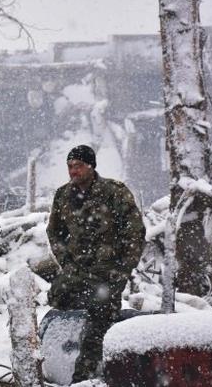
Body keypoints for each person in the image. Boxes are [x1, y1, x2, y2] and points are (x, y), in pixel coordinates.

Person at [46, 145, 146, 382]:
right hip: (77, 271)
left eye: (78, 166)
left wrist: (122, 269)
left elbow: (135, 233)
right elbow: (54, 233)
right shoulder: (63, 195)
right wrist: (67, 264)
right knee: (57, 298)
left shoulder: (114, 192)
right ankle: (62, 353)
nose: (73, 171)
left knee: (100, 312)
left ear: (91, 166)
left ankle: (85, 376)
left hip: (108, 272)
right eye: (70, 166)